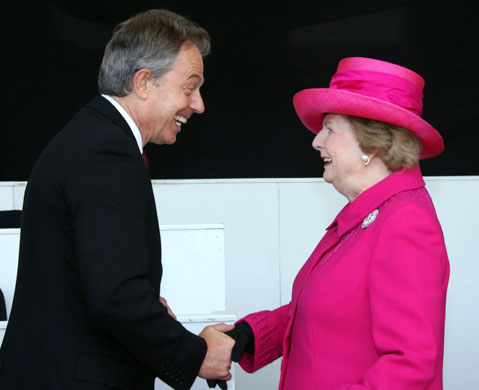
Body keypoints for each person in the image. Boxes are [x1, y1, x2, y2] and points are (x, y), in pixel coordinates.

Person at [0, 9, 235, 390]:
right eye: (190, 88)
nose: (199, 105)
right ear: (144, 82)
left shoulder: (91, 136)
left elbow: (93, 278)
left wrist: (146, 311)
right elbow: (116, 296)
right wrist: (196, 355)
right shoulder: (107, 153)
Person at [225, 57, 450, 389]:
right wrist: (250, 336)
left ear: (370, 142)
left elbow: (409, 365)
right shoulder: (370, 215)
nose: (317, 141)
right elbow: (329, 313)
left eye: (329, 128)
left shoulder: (406, 223)